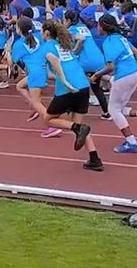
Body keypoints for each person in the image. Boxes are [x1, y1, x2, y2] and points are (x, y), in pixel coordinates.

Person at [41, 20, 104, 171]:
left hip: (68, 88)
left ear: (47, 33)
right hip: (83, 86)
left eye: (43, 31)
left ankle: (74, 128)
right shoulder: (64, 45)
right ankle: (94, 159)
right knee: (82, 128)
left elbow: (55, 62)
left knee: (48, 119)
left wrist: (64, 81)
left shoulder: (47, 47)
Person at [92, 14, 137, 153]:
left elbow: (110, 67)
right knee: (119, 108)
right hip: (134, 74)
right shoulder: (121, 38)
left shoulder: (108, 42)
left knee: (113, 110)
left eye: (98, 25)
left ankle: (131, 142)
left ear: (103, 26)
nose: (97, 27)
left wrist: (97, 75)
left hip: (124, 76)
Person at [64, 10, 111, 120]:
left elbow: (81, 39)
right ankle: (106, 112)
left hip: (86, 61)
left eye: (64, 20)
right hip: (98, 58)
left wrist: (75, 51)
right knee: (96, 87)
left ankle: (72, 108)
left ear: (68, 20)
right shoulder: (83, 27)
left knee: (72, 81)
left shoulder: (71, 29)